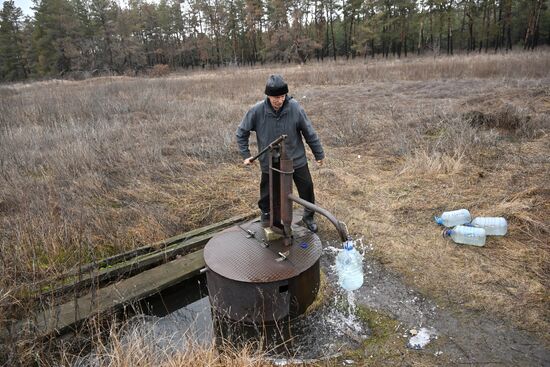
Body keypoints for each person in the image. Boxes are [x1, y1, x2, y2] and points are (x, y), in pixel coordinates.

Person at [236, 74, 325, 232]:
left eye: (283, 96)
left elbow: (309, 132)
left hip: (295, 158)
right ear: (268, 96)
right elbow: (241, 132)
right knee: (267, 192)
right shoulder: (257, 111)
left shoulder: (295, 108)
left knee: (307, 187)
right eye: (276, 97)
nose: (280, 100)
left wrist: (319, 154)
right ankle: (266, 213)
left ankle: (308, 216)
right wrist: (246, 154)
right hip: (270, 161)